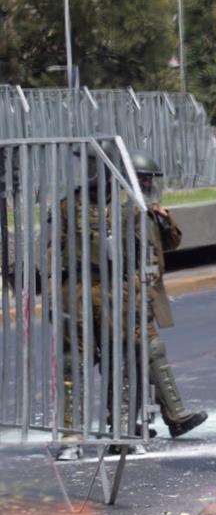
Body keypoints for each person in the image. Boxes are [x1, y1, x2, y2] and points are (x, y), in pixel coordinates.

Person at [54, 140, 141, 460]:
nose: (86, 171)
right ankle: (70, 435)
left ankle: (121, 429)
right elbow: (51, 249)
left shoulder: (127, 206)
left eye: (92, 164)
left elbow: (143, 252)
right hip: (75, 287)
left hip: (113, 288)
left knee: (120, 359)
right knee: (71, 363)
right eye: (84, 165)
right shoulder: (67, 206)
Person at [130, 149, 208, 438]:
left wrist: (165, 219)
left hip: (149, 292)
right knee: (148, 352)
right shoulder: (124, 212)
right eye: (144, 181)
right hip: (129, 295)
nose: (149, 186)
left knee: (140, 357)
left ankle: (154, 418)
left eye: (151, 181)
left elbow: (171, 243)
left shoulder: (148, 212)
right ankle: (174, 415)